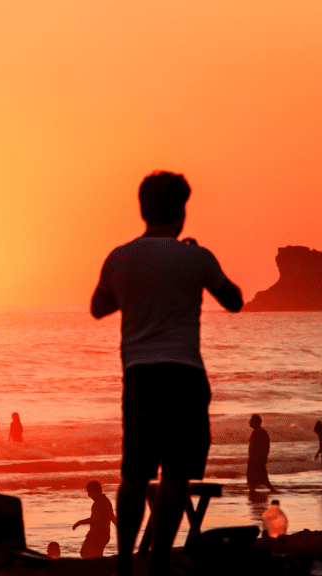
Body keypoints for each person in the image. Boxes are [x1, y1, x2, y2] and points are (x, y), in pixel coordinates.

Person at [91, 171, 243, 576]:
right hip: (185, 374)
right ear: (180, 210)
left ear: (142, 208)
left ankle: (124, 562)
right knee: (176, 473)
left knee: (134, 473)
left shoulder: (120, 257)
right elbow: (234, 300)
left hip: (140, 375)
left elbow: (98, 307)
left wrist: (133, 294)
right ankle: (158, 560)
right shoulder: (196, 257)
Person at [73, 480, 117, 559]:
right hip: (102, 535)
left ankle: (100, 568)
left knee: (86, 553)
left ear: (96, 491)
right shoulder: (104, 501)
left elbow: (94, 519)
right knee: (91, 554)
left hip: (98, 535)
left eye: (90, 492)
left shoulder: (100, 502)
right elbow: (112, 517)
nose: (88, 495)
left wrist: (80, 522)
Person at [247, 414, 276, 493]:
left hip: (257, 459)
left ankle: (273, 491)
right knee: (255, 480)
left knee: (262, 479)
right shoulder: (258, 431)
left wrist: (262, 457)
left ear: (255, 422)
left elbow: (266, 446)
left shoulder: (260, 432)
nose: (249, 422)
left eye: (251, 420)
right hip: (255, 459)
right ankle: (253, 493)